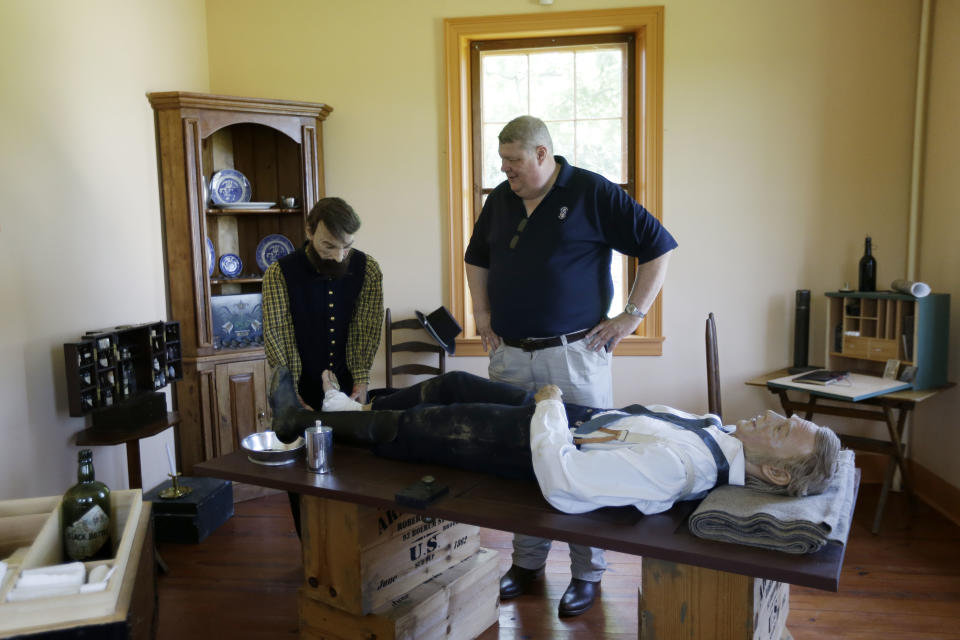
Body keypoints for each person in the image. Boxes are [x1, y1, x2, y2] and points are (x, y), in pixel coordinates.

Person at [271, 370, 842, 615]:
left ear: (774, 474)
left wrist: (547, 403)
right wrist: (553, 405)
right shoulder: (715, 434)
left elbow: (565, 485)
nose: (774, 414)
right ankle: (344, 411)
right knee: (450, 384)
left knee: (418, 428)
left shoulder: (681, 467)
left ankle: (302, 420)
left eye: (785, 430)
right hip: (567, 417)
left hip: (533, 444)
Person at [463, 115, 678, 614]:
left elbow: (659, 247)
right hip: (511, 354)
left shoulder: (591, 192)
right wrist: (482, 316)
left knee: (585, 459)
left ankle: (587, 572)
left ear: (542, 154)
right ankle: (527, 563)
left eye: (514, 161)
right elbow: (477, 258)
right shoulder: (500, 199)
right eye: (502, 161)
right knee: (521, 458)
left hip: (574, 354)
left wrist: (631, 317)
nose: (506, 170)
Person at [262, 196, 383, 534]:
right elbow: (277, 333)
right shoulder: (279, 274)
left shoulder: (368, 269)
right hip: (297, 389)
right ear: (309, 231)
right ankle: (311, 547)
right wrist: (292, 388)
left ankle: (351, 545)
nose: (339, 255)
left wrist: (359, 378)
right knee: (302, 477)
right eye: (330, 245)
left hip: (348, 385)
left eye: (347, 246)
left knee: (353, 468)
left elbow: (366, 327)